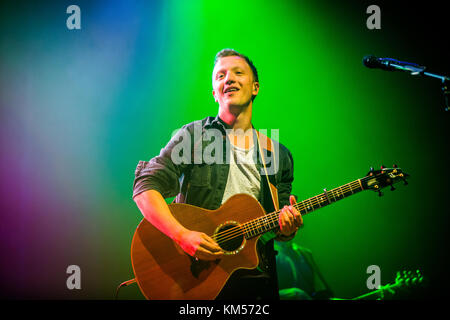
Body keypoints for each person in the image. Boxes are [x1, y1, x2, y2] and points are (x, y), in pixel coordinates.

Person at [132, 48, 303, 299]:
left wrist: (288, 228)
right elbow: (145, 187)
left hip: (256, 281)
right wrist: (182, 236)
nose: (229, 79)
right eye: (220, 76)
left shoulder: (278, 154)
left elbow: (278, 223)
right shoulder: (194, 136)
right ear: (214, 93)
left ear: (255, 87)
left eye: (237, 73)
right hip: (198, 277)